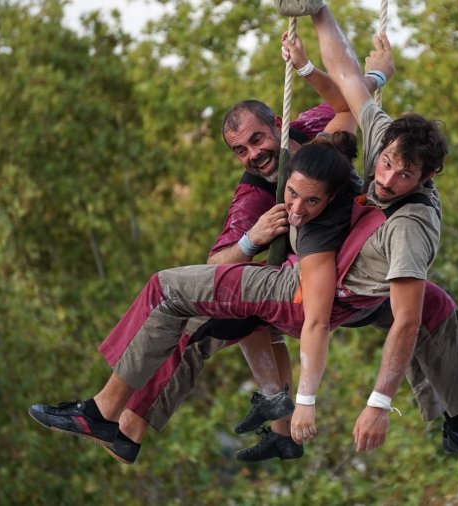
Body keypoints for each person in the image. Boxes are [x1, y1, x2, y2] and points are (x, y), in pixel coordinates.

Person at [29, 3, 458, 464]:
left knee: (174, 292)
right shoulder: (316, 169)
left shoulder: (406, 225)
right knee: (434, 307)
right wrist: (319, 13)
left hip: (320, 290)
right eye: (387, 164)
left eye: (259, 141)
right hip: (340, 285)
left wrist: (375, 403)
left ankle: (113, 413)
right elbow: (350, 83)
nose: (386, 178)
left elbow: (384, 322)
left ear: (280, 128)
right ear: (381, 148)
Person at [99, 35, 394, 465]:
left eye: (258, 140)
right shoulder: (254, 194)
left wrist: (367, 72)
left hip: (350, 281)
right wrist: (250, 240)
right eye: (241, 150)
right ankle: (134, 425)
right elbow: (216, 265)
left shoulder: (307, 128)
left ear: (278, 123)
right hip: (311, 289)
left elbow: (349, 101)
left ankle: (130, 423)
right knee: (196, 315)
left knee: (206, 314)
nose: (254, 154)